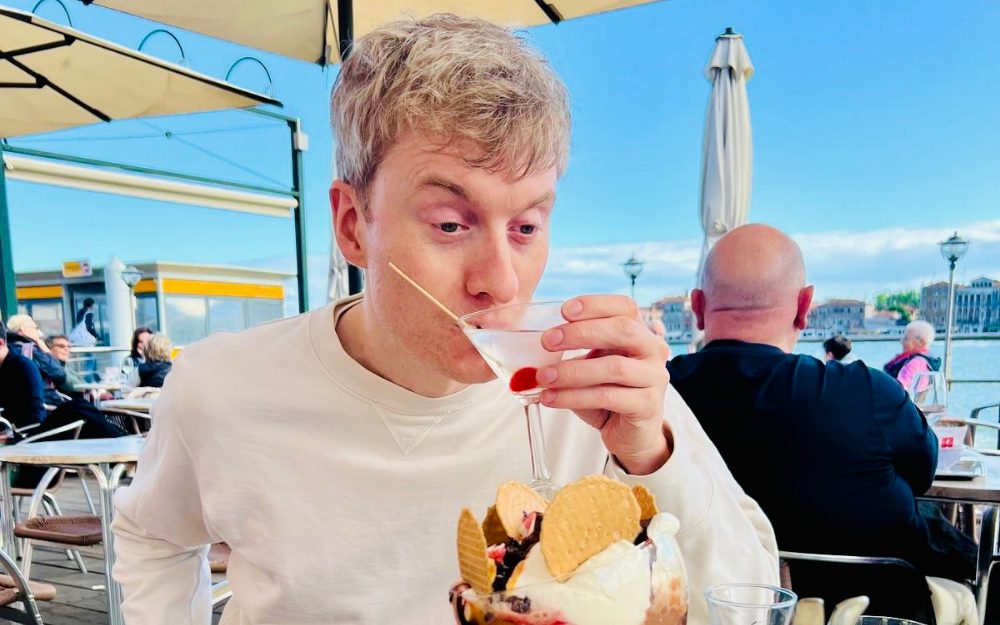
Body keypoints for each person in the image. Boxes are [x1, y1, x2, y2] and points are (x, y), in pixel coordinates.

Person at [113, 15, 778, 625]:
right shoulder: (222, 387)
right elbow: (154, 535)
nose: (502, 281)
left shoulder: (599, 391)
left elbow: (747, 602)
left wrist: (651, 456)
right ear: (353, 226)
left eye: (525, 226)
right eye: (452, 224)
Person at [666, 224, 977, 622]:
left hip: (708, 610)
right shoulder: (870, 392)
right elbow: (923, 473)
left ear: (696, 306)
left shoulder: (655, 398)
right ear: (804, 305)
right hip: (875, 612)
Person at [6, 314, 79, 405]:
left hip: (15, 403)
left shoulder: (7, 348)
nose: (39, 333)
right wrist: (46, 351)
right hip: (44, 402)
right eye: (35, 328)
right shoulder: (33, 350)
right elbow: (59, 373)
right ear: (24, 329)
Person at [0, 318, 47, 430]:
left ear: (1, 343)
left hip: (22, 435)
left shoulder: (24, 367)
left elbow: (36, 417)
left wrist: (10, 434)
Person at [884, 320, 941, 392]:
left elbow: (899, 390)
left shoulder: (915, 363)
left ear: (921, 342)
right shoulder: (928, 361)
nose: (902, 342)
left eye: (906, 339)